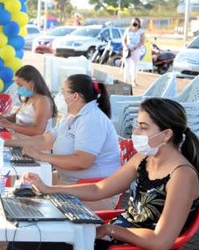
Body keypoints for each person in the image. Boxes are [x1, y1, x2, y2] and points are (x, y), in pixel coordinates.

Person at [3, 98, 199, 250]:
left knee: (37, 249)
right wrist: (48, 189)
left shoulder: (182, 175)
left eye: (143, 127)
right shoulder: (144, 158)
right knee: (26, 238)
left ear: (166, 134)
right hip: (115, 239)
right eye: (136, 126)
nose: (136, 133)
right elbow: (100, 189)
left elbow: (161, 242)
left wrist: (110, 229)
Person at [6, 74, 120, 210]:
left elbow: (82, 161)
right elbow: (46, 139)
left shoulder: (92, 120)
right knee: (22, 192)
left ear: (75, 96)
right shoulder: (70, 116)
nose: (59, 96)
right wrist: (6, 143)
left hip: (92, 191)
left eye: (63, 92)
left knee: (34, 208)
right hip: (70, 182)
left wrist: (41, 156)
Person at [0, 65, 57, 139]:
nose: (18, 88)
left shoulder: (43, 101)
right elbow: (16, 118)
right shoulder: (28, 99)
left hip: (34, 146)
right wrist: (3, 118)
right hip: (19, 140)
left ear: (31, 84)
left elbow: (38, 131)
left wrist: (10, 125)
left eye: (20, 85)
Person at [122, 17, 145, 87]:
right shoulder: (128, 30)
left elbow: (142, 41)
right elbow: (124, 39)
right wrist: (126, 46)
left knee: (134, 66)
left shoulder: (141, 31)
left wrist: (135, 48)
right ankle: (125, 81)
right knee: (127, 65)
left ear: (138, 23)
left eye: (136, 22)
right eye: (133, 22)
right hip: (127, 49)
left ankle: (134, 81)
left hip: (136, 50)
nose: (134, 23)